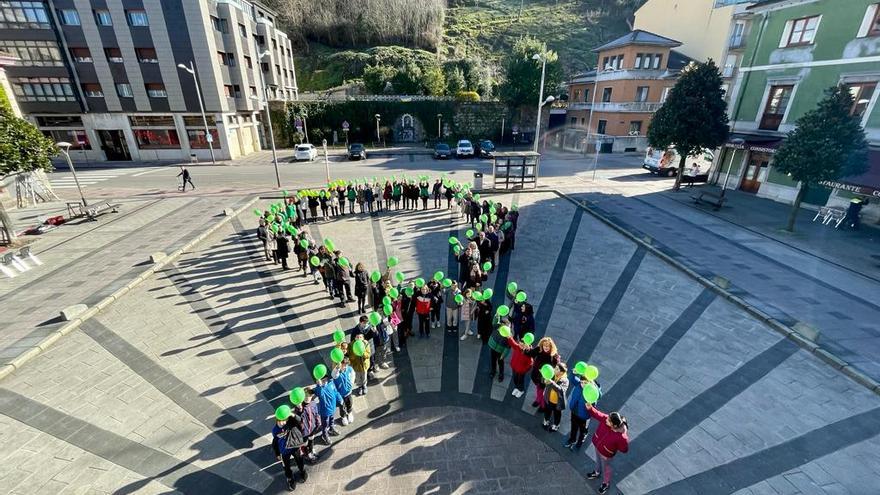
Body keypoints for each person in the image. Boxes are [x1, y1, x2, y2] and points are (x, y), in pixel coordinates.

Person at [586, 404, 630, 494]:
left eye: (608, 420)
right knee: (597, 461)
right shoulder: (607, 419)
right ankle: (597, 472)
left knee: (606, 467)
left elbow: (624, 449)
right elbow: (598, 414)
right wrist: (590, 409)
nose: (606, 419)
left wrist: (611, 450)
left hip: (606, 454)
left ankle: (606, 483)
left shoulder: (622, 437)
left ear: (614, 425)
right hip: (598, 447)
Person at [271, 406, 307, 491]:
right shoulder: (275, 430)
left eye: (286, 419)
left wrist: (291, 414)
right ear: (277, 419)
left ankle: (302, 471)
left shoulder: (290, 422)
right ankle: (290, 479)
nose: (285, 422)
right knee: (286, 467)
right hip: (284, 451)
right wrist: (277, 453)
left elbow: (299, 420)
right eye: (283, 420)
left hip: (294, 446)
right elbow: (275, 442)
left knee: (299, 460)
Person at [565, 372, 601, 450]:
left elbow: (599, 395)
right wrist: (573, 373)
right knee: (573, 427)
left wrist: (594, 385)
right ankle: (572, 439)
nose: (583, 384)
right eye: (582, 382)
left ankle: (579, 442)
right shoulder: (578, 385)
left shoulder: (592, 390)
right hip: (574, 411)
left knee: (582, 430)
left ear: (590, 383)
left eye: (585, 382)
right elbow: (572, 378)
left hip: (584, 415)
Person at [526, 337, 561, 410]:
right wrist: (527, 349)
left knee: (543, 391)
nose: (546, 347)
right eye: (544, 345)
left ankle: (542, 406)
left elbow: (556, 368)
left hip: (546, 377)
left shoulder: (553, 356)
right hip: (536, 374)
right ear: (542, 345)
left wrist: (546, 372)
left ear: (551, 346)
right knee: (538, 388)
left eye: (548, 346)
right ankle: (538, 400)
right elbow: (530, 354)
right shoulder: (539, 349)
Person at [313, 373, 342, 445]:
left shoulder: (331, 383)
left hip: (332, 408)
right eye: (323, 380)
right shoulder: (319, 389)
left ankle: (331, 428)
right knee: (325, 424)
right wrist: (319, 386)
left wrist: (340, 398)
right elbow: (320, 394)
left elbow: (335, 392)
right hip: (325, 411)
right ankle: (324, 435)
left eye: (326, 379)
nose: (325, 381)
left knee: (332, 419)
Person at [542, 362, 569, 432]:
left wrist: (552, 383)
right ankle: (546, 420)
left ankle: (556, 425)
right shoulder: (552, 374)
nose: (554, 369)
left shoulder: (565, 381)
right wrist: (544, 380)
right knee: (547, 411)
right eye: (555, 368)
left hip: (557, 402)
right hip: (548, 398)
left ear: (561, 372)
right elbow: (543, 379)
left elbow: (561, 390)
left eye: (557, 369)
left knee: (557, 414)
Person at [332, 356, 355, 426]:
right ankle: (343, 416)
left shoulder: (349, 369)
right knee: (342, 406)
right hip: (340, 394)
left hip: (348, 392)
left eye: (346, 366)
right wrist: (337, 368)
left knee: (350, 403)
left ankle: (350, 412)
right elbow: (334, 375)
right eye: (343, 366)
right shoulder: (337, 372)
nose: (345, 367)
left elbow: (353, 376)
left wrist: (351, 384)